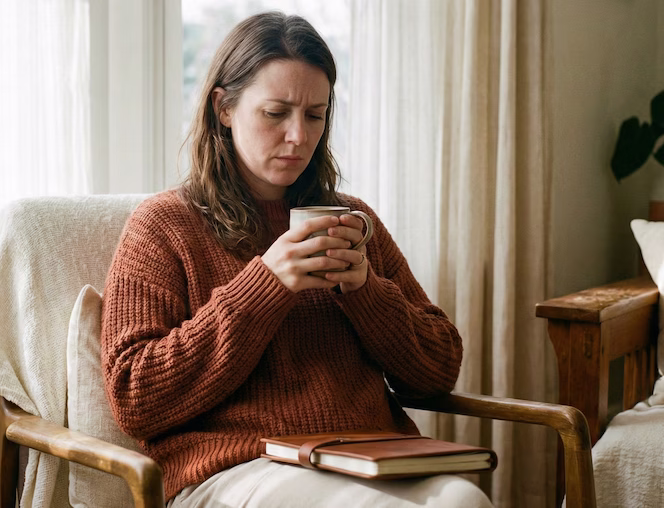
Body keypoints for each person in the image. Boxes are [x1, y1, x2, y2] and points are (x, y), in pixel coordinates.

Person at [101, 11, 491, 508]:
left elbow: (439, 370)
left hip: (369, 455)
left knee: (466, 501)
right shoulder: (163, 226)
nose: (298, 137)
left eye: (314, 115)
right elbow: (136, 396)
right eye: (275, 113)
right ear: (224, 107)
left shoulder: (353, 221)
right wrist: (266, 284)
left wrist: (366, 291)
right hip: (239, 466)